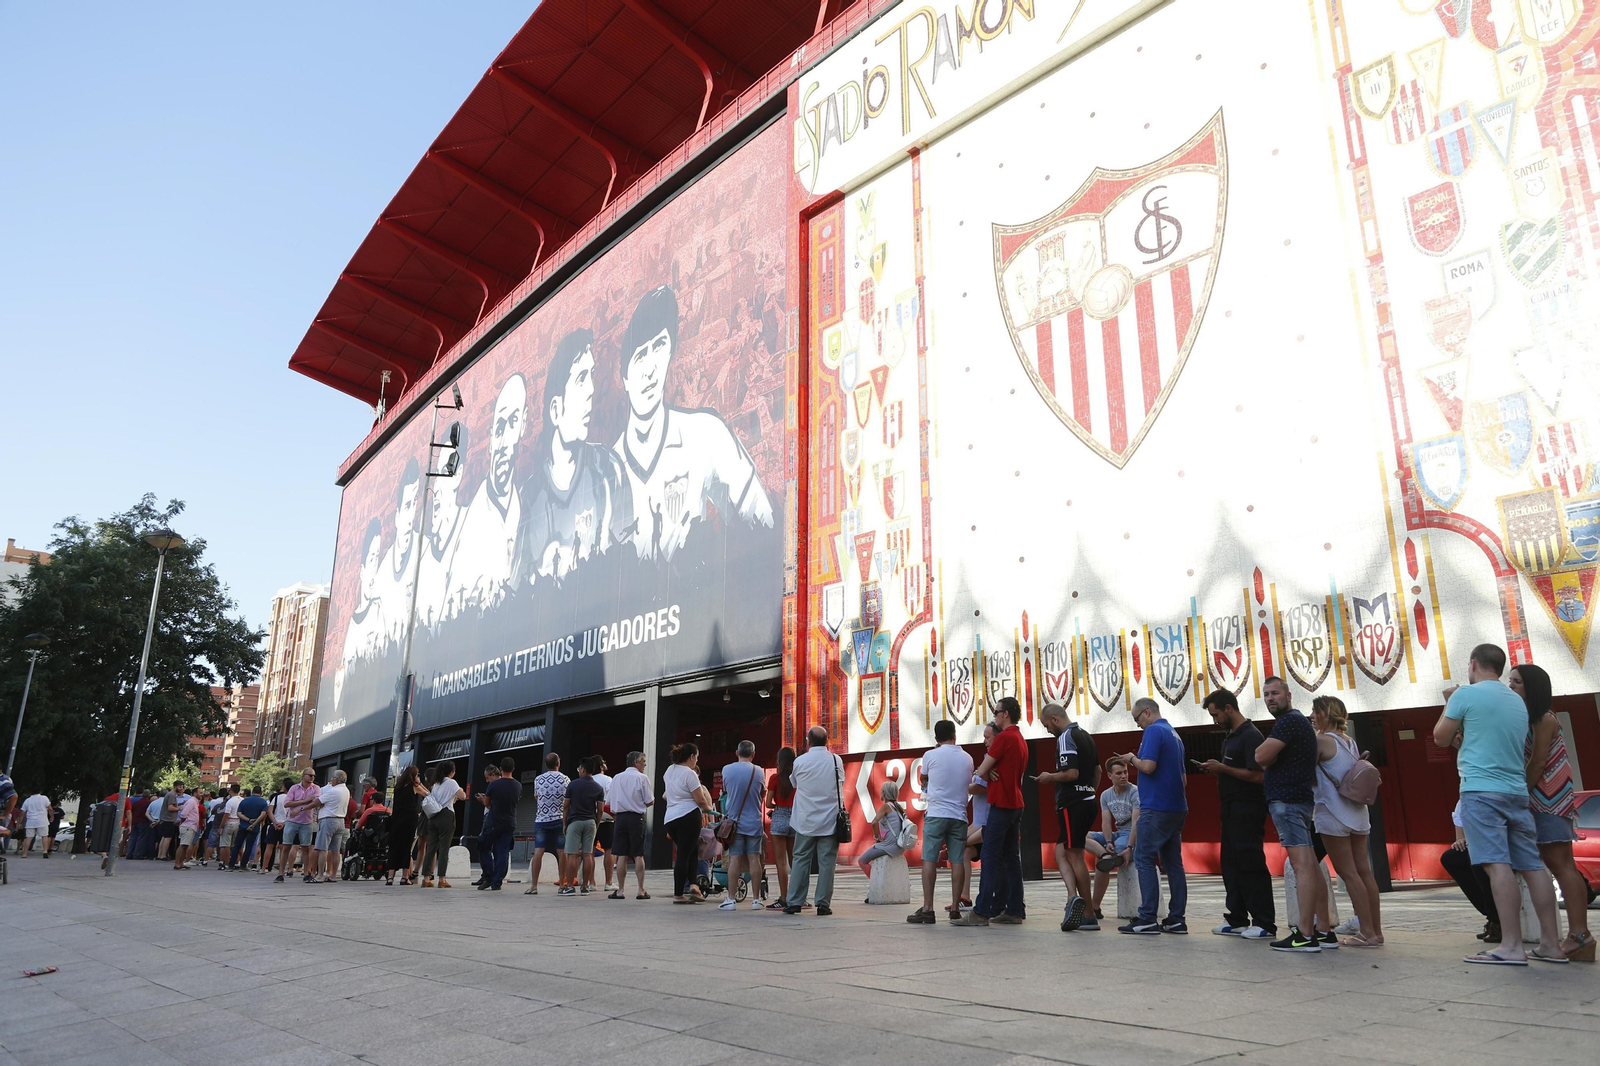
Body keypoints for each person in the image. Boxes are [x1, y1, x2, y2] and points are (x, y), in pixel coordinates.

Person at [614, 285, 774, 559]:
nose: (650, 368)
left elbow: (763, 523)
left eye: (659, 347)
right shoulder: (608, 471)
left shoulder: (705, 432)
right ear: (624, 377)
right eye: (640, 355)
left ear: (670, 354)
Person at [1437, 644, 1566, 965]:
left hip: (1481, 790)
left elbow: (1441, 737)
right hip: (1516, 791)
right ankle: (1551, 944)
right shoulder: (1517, 702)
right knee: (1533, 866)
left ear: (1473, 664)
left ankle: (1511, 945)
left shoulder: (1465, 695)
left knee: (1496, 865)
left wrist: (1450, 703)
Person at [513, 329, 633, 586]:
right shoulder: (529, 498)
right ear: (556, 409)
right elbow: (516, 592)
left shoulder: (609, 469)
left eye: (591, 375)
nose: (591, 389)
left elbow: (631, 558)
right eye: (581, 378)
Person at [1512, 662, 1593, 960]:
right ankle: (1579, 938)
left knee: (1561, 866)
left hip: (1549, 800)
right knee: (1558, 865)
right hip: (1543, 800)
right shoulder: (1527, 718)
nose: (1511, 687)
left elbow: (1538, 762)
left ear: (1532, 687)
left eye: (1516, 682)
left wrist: (1519, 795)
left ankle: (1580, 936)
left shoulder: (1544, 718)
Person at [1256, 676, 1329, 952]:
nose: (1270, 698)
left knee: (1301, 866)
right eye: (1266, 695)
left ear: (1289, 696)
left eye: (1275, 693)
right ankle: (1323, 930)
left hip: (1287, 800)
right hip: (1299, 799)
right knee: (1310, 864)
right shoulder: (1299, 723)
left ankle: (1305, 934)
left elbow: (1260, 756)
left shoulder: (1288, 722)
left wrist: (1267, 754)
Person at [1197, 690, 1274, 939]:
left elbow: (1258, 775)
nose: (1215, 720)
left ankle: (1264, 922)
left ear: (1229, 708)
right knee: (1231, 864)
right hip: (1229, 808)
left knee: (1250, 862)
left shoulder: (1251, 736)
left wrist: (1223, 769)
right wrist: (1219, 770)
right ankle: (1237, 918)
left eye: (1216, 714)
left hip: (1248, 807)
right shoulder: (1230, 737)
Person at [448, 374, 528, 613]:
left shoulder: (527, 501)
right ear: (491, 437)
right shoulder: (471, 526)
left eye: (513, 422)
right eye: (500, 426)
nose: (504, 442)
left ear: (523, 425)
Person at [1309, 696, 1383, 947]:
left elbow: (1304, 773)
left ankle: (1366, 933)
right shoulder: (1349, 741)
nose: (1311, 716)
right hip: (1357, 813)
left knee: (1348, 873)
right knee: (1364, 871)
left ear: (1325, 715)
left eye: (1314, 712)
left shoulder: (1320, 741)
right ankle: (1376, 931)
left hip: (1332, 812)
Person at [954, 698, 1029, 927]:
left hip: (1002, 804)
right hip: (1016, 803)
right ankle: (1014, 908)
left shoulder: (1004, 737)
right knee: (1011, 859)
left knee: (989, 856)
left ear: (1005, 714)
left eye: (996, 712)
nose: (994, 715)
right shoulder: (1020, 739)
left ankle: (982, 911)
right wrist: (990, 772)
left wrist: (986, 771)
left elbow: (981, 772)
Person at [1117, 696, 1188, 935]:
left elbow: (1148, 766)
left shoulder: (1153, 732)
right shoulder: (1174, 734)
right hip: (1177, 807)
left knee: (1144, 858)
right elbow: (1184, 778)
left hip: (1155, 807)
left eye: (1137, 718)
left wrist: (1131, 759)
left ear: (1146, 712)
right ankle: (1177, 919)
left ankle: (1147, 917)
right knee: (1173, 864)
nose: (1137, 724)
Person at [1039, 703, 1099, 931]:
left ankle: (1089, 913)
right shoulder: (1086, 736)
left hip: (1072, 804)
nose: (1047, 731)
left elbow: (1071, 773)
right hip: (1087, 801)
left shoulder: (1065, 737)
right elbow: (1098, 770)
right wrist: (1089, 791)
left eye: (1046, 725)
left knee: (1075, 855)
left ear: (1055, 719)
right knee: (1061, 850)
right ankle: (1073, 897)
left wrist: (1050, 776)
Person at [908, 719, 974, 924]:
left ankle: (928, 908)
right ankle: (955, 908)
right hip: (959, 815)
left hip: (936, 813)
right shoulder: (968, 758)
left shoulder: (930, 755)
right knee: (957, 860)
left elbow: (923, 778)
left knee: (929, 859)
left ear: (936, 738)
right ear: (954, 734)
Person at [784, 726, 845, 915]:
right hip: (829, 819)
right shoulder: (836, 760)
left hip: (805, 818)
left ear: (808, 740)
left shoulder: (800, 761)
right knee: (827, 862)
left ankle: (794, 901)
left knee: (801, 859)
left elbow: (794, 783)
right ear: (827, 741)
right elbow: (841, 782)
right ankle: (823, 904)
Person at [1087, 757, 1138, 921]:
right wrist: (1108, 842)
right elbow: (1106, 822)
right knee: (1081, 837)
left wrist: (1129, 847)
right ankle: (1106, 855)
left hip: (1131, 835)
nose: (1123, 776)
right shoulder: (1105, 795)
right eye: (1119, 773)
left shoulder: (1136, 792)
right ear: (1109, 776)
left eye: (1125, 772)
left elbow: (1137, 822)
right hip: (1116, 834)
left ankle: (1095, 906)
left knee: (1108, 857)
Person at [1439, 800, 1499, 941]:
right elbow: (1459, 827)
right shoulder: (1464, 797)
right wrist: (1461, 840)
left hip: (1495, 842)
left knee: (1478, 861)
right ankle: (1489, 913)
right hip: (1476, 843)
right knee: (1451, 858)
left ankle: (1497, 921)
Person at [719, 741, 767, 911]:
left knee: (735, 859)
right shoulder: (759, 771)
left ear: (736, 753)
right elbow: (762, 795)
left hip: (734, 823)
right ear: (753, 754)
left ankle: (731, 900)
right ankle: (756, 900)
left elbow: (727, 792)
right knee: (755, 858)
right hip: (754, 821)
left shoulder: (726, 769)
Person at [665, 744, 713, 903]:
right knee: (684, 855)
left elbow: (666, 795)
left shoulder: (669, 771)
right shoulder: (689, 774)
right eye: (697, 757)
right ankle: (679, 893)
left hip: (670, 818)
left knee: (691, 851)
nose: (696, 761)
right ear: (692, 756)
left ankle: (693, 885)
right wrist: (710, 809)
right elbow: (700, 799)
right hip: (688, 817)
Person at [607, 751, 653, 899]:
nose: (645, 764)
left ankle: (620, 890)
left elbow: (609, 801)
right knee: (638, 854)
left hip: (620, 818)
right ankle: (640, 890)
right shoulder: (642, 778)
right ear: (636, 762)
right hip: (636, 818)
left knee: (621, 855)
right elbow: (649, 801)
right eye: (643, 761)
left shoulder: (616, 778)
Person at [476, 759, 522, 891]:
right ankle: (497, 882)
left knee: (483, 846)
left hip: (494, 821)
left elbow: (487, 804)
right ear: (513, 769)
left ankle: (488, 876)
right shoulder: (518, 785)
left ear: (500, 769)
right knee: (502, 852)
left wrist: (483, 799)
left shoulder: (494, 785)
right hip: (510, 822)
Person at [562, 757, 605, 895]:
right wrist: (596, 823)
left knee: (572, 855)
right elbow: (601, 810)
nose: (579, 771)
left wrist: (564, 824)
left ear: (583, 770)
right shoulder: (598, 788)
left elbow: (566, 806)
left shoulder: (573, 785)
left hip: (575, 822)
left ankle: (569, 886)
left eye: (579, 769)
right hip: (590, 822)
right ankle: (585, 886)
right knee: (587, 855)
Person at [527, 753, 569, 894]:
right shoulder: (565, 779)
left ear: (546, 765)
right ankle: (562, 884)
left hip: (541, 820)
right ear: (559, 763)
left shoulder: (538, 779)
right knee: (561, 852)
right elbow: (568, 800)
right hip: (559, 819)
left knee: (538, 851)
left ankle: (534, 886)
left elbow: (536, 797)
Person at [420, 762, 463, 888]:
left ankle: (426, 878)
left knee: (431, 848)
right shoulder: (451, 782)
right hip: (446, 815)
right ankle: (442, 879)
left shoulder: (435, 783)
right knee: (444, 848)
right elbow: (463, 796)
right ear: (451, 771)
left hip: (433, 817)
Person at [857, 780, 908, 886]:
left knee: (862, 860)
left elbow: (874, 822)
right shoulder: (898, 807)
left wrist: (877, 837)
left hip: (889, 845)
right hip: (899, 845)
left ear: (884, 793)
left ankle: (877, 885)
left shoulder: (886, 807)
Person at [766, 746, 797, 910]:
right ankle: (797, 897)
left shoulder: (775, 779)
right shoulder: (797, 778)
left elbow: (768, 803)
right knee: (795, 861)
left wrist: (777, 806)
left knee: (781, 863)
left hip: (779, 817)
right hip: (796, 819)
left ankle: (784, 898)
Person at [277, 768, 321, 883]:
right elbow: (287, 803)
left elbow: (315, 803)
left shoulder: (316, 788)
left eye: (314, 776)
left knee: (306, 847)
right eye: (310, 775)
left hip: (307, 822)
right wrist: (304, 800)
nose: (312, 778)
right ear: (303, 776)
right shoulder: (294, 788)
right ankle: (280, 873)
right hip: (292, 820)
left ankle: (307, 872)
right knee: (286, 846)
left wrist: (299, 805)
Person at [311, 770, 352, 884]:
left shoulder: (333, 791)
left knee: (323, 849)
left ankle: (320, 875)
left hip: (328, 820)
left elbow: (317, 802)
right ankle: (333, 874)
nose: (331, 780)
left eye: (333, 778)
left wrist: (302, 808)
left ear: (336, 779)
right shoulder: (346, 791)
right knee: (335, 850)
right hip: (340, 821)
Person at [385, 765, 423, 886]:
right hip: (410, 820)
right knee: (407, 848)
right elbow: (428, 794)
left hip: (396, 820)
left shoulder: (398, 787)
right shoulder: (414, 787)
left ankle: (390, 877)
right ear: (413, 776)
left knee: (394, 848)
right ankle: (404, 877)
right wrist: (419, 783)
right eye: (417, 775)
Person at [230, 787, 270, 870]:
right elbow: (262, 815)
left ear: (252, 791)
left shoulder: (244, 801)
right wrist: (254, 824)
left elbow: (239, 813)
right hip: (254, 828)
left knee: (237, 845)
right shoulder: (263, 802)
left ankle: (231, 864)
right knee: (249, 846)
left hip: (242, 825)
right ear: (261, 792)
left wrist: (248, 820)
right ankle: (243, 865)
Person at [592, 758, 616, 894]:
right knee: (609, 850)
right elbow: (611, 798)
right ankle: (608, 882)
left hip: (591, 818)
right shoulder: (608, 780)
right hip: (606, 819)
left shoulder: (589, 780)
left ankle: (591, 883)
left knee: (589, 851)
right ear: (601, 766)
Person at [170, 782, 199, 870]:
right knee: (183, 845)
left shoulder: (193, 801)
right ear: (195, 793)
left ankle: (181, 863)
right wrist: (182, 822)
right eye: (200, 792)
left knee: (185, 846)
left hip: (190, 826)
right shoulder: (191, 801)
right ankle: (177, 864)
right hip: (187, 826)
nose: (202, 794)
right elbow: (183, 814)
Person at [19, 788, 49, 857]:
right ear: (40, 791)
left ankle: (24, 853)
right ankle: (45, 851)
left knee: (28, 837)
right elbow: (50, 808)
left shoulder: (27, 800)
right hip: (42, 821)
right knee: (44, 836)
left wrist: (20, 822)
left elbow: (22, 812)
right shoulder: (44, 798)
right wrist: (52, 816)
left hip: (31, 821)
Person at [127, 789, 154, 860]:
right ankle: (137, 854)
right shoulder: (148, 803)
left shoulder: (136, 802)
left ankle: (129, 854)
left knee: (132, 837)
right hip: (143, 821)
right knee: (141, 838)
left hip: (134, 821)